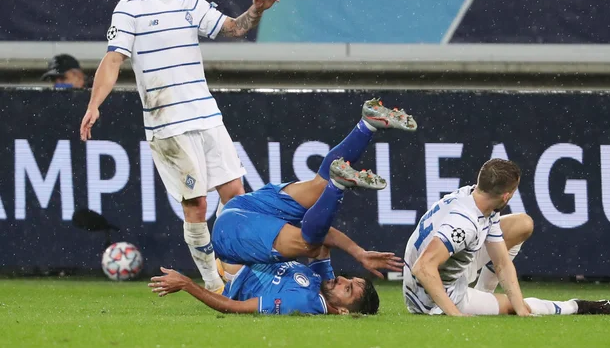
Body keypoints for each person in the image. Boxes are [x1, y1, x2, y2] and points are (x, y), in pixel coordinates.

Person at [79, 0, 280, 293]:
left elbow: (233, 28)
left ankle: (234, 273)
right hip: (168, 125)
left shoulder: (189, 1)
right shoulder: (129, 8)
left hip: (207, 117)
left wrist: (256, 11)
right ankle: (213, 286)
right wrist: (95, 104)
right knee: (197, 204)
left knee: (236, 194)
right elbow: (112, 60)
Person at [148, 99, 417, 315]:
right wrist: (359, 253)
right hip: (244, 208)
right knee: (318, 193)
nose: (343, 281)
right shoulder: (322, 282)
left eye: (348, 290)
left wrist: (186, 285)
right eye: (352, 280)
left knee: (311, 226)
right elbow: (323, 241)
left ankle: (338, 184)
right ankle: (367, 126)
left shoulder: (300, 304)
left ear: (344, 312)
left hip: (231, 239)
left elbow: (233, 307)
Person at [403, 158, 610, 316]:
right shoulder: (465, 223)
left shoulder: (475, 198)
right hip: (431, 298)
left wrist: (520, 308)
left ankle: (483, 295)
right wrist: (456, 316)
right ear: (506, 195)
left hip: (449, 267)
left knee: (522, 224)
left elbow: (501, 262)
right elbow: (423, 268)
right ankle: (575, 306)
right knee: (507, 307)